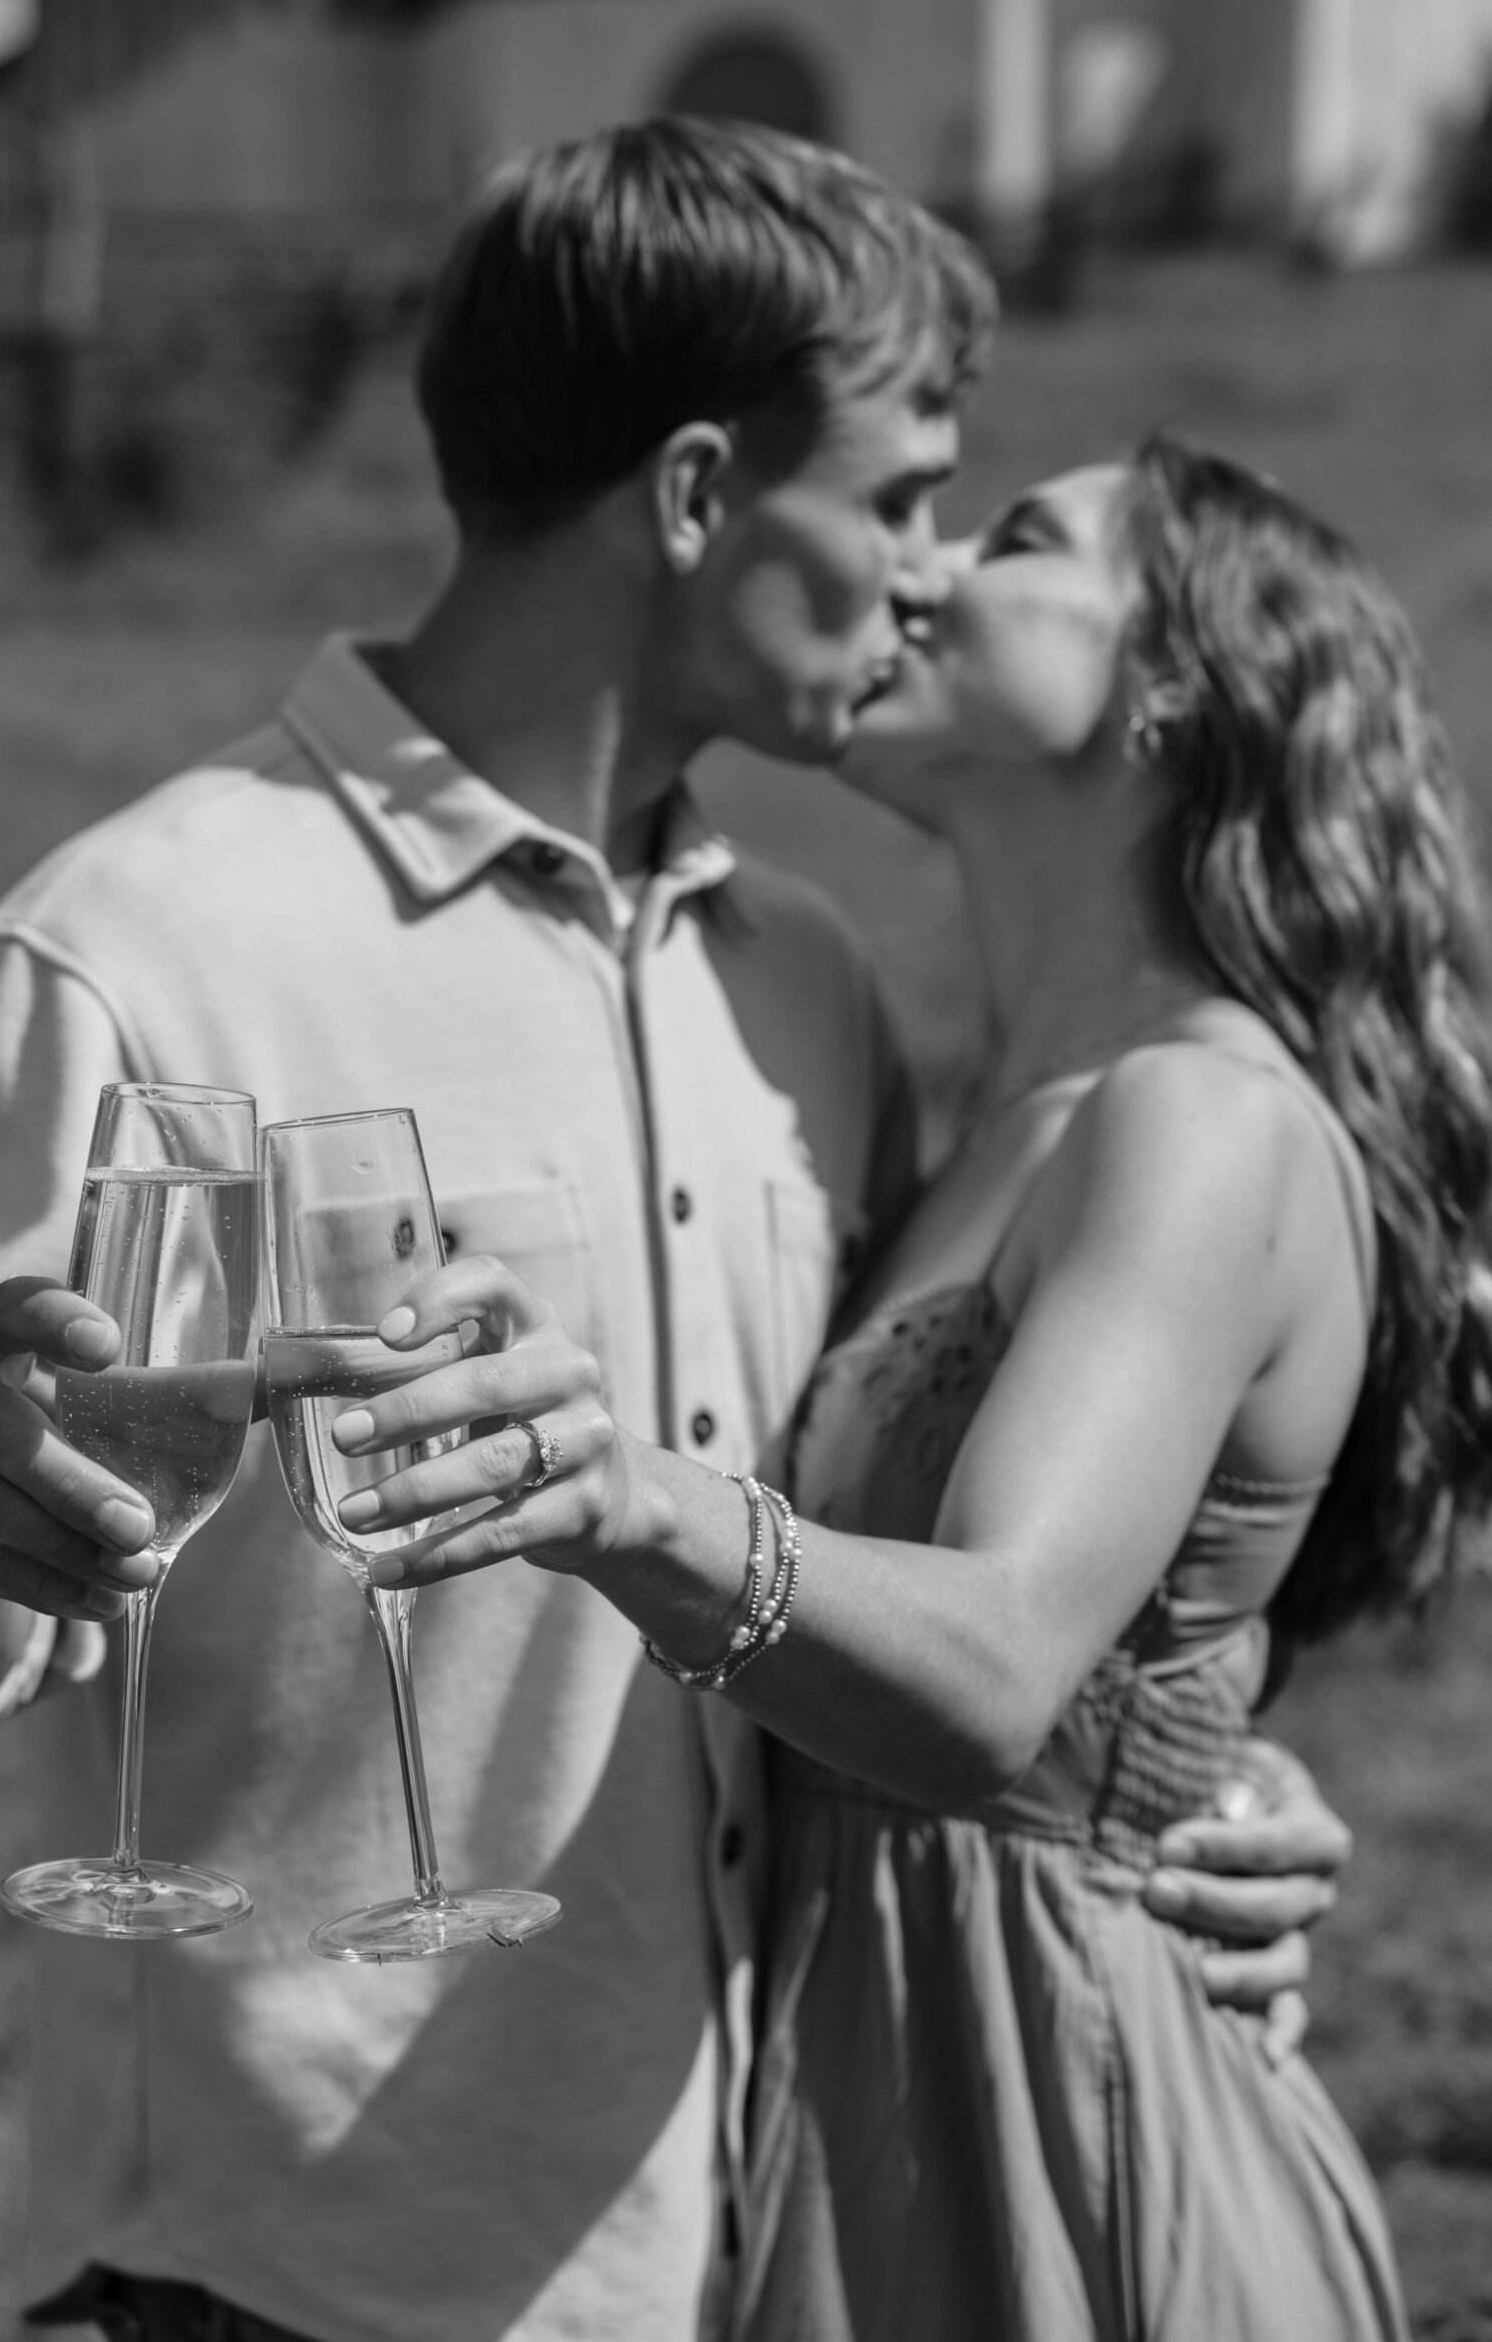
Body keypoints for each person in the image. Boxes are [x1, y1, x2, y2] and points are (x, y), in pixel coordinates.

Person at [0, 129, 1345, 2342]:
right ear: (697, 494)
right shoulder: (132, 945)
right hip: (287, 2276)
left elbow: (915, 1540)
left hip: (759, 2230)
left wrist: (1190, 1780)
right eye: (902, 497)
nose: (923, 577)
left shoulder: (807, 983)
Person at [317, 437, 1492, 2338]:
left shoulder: (1198, 1115)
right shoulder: (993, 1115)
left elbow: (1006, 1670)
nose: (918, 568)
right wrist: (1205, 1764)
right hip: (888, 2094)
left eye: (1018, 538)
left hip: (1059, 2138)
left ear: (1178, 682)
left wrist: (628, 1496)